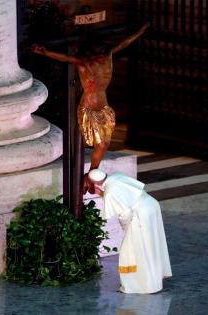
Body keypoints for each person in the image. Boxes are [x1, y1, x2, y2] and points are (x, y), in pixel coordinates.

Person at [30, 24, 149, 194]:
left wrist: (140, 31)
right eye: (97, 51)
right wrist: (45, 52)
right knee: (100, 144)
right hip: (89, 107)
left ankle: (92, 174)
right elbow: (64, 58)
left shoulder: (107, 55)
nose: (101, 54)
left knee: (104, 144)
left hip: (104, 108)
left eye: (102, 50)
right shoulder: (84, 63)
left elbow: (123, 44)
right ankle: (92, 175)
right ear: (90, 52)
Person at [88, 169, 172, 294]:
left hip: (139, 217)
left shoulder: (110, 192)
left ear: (95, 185)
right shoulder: (117, 176)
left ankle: (141, 286)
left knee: (134, 252)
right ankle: (154, 280)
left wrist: (127, 229)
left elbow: (125, 215)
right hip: (152, 206)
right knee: (151, 246)